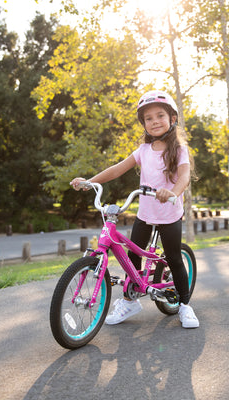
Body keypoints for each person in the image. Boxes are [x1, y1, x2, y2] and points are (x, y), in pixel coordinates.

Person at [70, 90, 199, 329]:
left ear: (172, 119)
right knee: (133, 256)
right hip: (146, 214)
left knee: (173, 258)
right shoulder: (143, 151)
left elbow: (184, 176)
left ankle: (184, 305)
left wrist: (173, 193)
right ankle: (130, 300)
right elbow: (117, 169)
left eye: (160, 115)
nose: (154, 121)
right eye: (148, 118)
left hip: (169, 214)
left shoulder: (179, 149)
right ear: (144, 124)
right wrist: (90, 181)